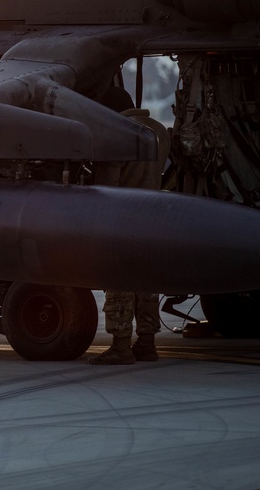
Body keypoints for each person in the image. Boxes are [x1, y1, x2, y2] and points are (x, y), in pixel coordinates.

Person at [89, 104, 170, 365]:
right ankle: (147, 343)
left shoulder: (116, 132)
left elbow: (107, 188)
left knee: (119, 285)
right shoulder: (159, 131)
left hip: (123, 221)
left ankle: (121, 346)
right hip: (153, 219)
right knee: (147, 284)